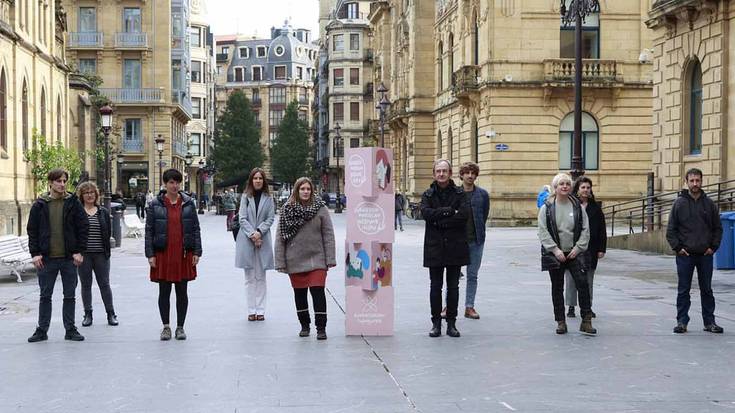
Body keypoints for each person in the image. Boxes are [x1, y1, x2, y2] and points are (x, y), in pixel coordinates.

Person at [27, 169, 88, 343]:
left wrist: (79, 251)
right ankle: (41, 330)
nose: (62, 184)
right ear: (50, 183)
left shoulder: (73, 202)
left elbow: (83, 227)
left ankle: (70, 329)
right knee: (45, 296)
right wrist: (35, 253)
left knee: (70, 295)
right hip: (46, 259)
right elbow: (32, 230)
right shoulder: (40, 204)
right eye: (58, 181)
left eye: (64, 181)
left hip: (69, 259)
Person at [275, 177, 336, 340]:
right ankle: (305, 325)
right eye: (302, 189)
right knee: (300, 294)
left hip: (317, 259)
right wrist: (280, 261)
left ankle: (321, 328)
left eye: (308, 189)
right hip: (294, 258)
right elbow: (280, 237)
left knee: (318, 292)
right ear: (297, 190)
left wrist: (330, 258)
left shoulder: (320, 208)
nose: (305, 192)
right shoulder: (287, 209)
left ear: (312, 191)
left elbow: (328, 234)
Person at [145, 169, 202, 341]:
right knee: (164, 291)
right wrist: (150, 254)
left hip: (183, 253)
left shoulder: (188, 203)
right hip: (163, 253)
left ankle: (180, 327)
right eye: (171, 182)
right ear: (165, 184)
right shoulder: (155, 204)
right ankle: (166, 327)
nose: (175, 185)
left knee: (182, 292)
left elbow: (195, 229)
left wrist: (197, 251)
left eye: (177, 182)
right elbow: (149, 231)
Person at [666, 168, 724, 334]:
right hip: (686, 255)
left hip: (705, 255)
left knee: (707, 289)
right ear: (686, 182)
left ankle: (709, 322)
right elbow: (671, 230)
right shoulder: (679, 203)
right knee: (683, 289)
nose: (695, 184)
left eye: (697, 180)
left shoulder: (709, 204)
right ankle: (682, 322)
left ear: (702, 181)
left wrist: (713, 247)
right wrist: (678, 248)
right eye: (692, 181)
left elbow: (717, 228)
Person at [538, 173, 596, 335]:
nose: (564, 186)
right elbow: (542, 231)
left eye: (567, 184)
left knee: (582, 284)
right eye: (561, 184)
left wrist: (578, 248)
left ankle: (586, 320)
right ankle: (561, 321)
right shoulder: (547, 208)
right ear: (555, 188)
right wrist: (555, 250)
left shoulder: (578, 207)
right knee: (557, 288)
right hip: (555, 254)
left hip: (575, 253)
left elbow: (585, 229)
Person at [421, 159, 470, 338]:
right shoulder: (427, 194)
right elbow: (425, 214)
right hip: (434, 247)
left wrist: (438, 218)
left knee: (453, 287)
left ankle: (451, 323)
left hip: (455, 247)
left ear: (450, 173)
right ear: (434, 174)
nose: (441, 174)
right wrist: (449, 211)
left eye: (445, 171)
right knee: (435, 286)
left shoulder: (459, 193)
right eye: (438, 171)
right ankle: (435, 323)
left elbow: (464, 216)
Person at [235, 168, 275, 321]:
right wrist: (253, 234)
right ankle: (251, 309)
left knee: (261, 277)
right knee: (249, 277)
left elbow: (270, 218)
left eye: (260, 178)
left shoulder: (269, 198)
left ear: (263, 181)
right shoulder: (245, 197)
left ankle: (261, 310)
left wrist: (259, 232)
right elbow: (242, 218)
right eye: (255, 178)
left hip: (263, 240)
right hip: (247, 240)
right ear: (251, 180)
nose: (258, 181)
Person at [76, 182, 118, 327]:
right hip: (84, 255)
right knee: (85, 285)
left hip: (101, 255)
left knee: (104, 284)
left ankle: (111, 314)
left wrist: (106, 251)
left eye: (92, 192)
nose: (89, 195)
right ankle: (88, 314)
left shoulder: (103, 212)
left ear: (96, 194)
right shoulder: (77, 212)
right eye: (86, 192)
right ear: (81, 195)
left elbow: (108, 232)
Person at [565, 177, 606, 319]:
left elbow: (602, 229)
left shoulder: (595, 207)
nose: (586, 190)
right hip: (573, 248)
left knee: (589, 279)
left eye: (588, 188)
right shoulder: (571, 205)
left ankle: (588, 307)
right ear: (577, 189)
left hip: (591, 248)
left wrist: (602, 248)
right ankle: (571, 306)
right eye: (583, 187)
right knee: (571, 278)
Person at [457, 162, 489, 319]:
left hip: (476, 240)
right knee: (453, 275)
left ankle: (469, 307)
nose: (470, 176)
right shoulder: (455, 193)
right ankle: (448, 306)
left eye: (473, 173)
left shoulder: (482, 194)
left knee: (472, 275)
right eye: (467, 173)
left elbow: (484, 215)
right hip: (456, 241)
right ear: (461, 175)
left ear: (476, 175)